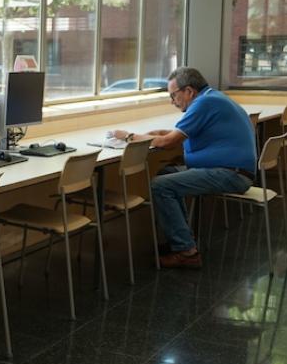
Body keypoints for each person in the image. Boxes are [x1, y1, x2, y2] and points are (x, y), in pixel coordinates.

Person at [109, 66, 255, 269]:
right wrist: (159, 134)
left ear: (189, 91)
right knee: (167, 173)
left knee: (160, 186)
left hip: (230, 174)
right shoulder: (212, 97)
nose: (172, 101)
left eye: (173, 95)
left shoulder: (203, 103)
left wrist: (128, 136)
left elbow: (168, 143)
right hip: (231, 169)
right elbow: (179, 134)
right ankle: (182, 237)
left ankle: (187, 252)